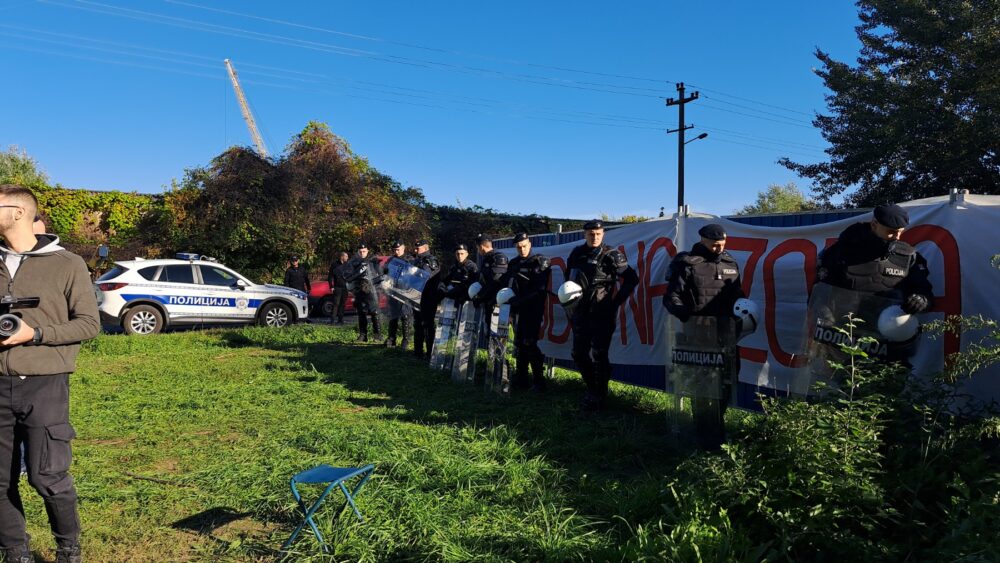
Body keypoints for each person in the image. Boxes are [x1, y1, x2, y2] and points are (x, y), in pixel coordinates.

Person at [0, 184, 100, 563]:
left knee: (47, 477)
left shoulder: (67, 263)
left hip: (44, 383)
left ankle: (68, 548)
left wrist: (36, 334)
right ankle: (15, 551)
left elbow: (89, 324)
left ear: (21, 212)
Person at [816, 203, 933, 363]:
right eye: (891, 232)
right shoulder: (842, 251)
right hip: (842, 340)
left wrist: (921, 300)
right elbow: (820, 291)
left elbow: (924, 292)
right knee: (840, 386)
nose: (897, 237)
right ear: (874, 224)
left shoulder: (908, 258)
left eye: (900, 232)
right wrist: (825, 321)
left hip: (888, 345)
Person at [664, 223, 745, 450]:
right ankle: (702, 432)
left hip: (725, 333)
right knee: (701, 386)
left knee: (728, 381)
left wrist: (743, 312)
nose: (719, 248)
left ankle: (717, 425)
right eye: (714, 245)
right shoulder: (687, 263)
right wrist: (685, 315)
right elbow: (672, 297)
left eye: (722, 244)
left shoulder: (730, 263)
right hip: (697, 333)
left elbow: (738, 295)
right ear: (702, 241)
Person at [565, 220, 639, 410]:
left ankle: (600, 396)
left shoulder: (611, 255)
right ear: (585, 234)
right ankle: (592, 390)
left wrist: (614, 303)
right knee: (579, 354)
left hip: (601, 312)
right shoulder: (576, 253)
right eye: (591, 233)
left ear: (603, 234)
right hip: (580, 311)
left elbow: (632, 279)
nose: (595, 237)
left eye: (598, 233)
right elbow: (568, 281)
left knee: (599, 354)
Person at [504, 233, 551, 391]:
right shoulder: (514, 263)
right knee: (519, 343)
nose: (522, 249)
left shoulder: (539, 261)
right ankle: (522, 378)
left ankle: (539, 381)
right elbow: (509, 286)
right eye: (518, 247)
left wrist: (519, 300)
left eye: (524, 246)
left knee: (529, 343)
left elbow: (539, 289)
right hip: (518, 309)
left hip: (533, 308)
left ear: (529, 244)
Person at [345, 244, 382, 342]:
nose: (362, 253)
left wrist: (375, 284)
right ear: (358, 251)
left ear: (367, 250)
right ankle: (363, 335)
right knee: (361, 313)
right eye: (360, 251)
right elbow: (349, 276)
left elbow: (380, 275)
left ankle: (377, 335)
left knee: (374, 312)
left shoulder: (373, 261)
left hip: (372, 290)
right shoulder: (354, 262)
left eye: (364, 251)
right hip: (359, 290)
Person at [412, 239, 441, 359]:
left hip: (428, 298)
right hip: (417, 297)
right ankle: (418, 352)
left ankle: (430, 353)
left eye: (417, 248)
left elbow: (425, 276)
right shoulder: (418, 260)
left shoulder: (430, 260)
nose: (415, 250)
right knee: (417, 324)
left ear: (425, 248)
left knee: (427, 325)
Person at [383, 241, 412, 349]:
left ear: (403, 248)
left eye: (398, 249)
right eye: (394, 249)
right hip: (393, 291)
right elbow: (385, 272)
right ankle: (392, 338)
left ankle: (406, 340)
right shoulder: (391, 260)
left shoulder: (410, 260)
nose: (396, 251)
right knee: (393, 316)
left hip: (405, 292)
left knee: (405, 316)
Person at [472, 234, 509, 313]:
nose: (478, 250)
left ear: (481, 247)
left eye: (477, 248)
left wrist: (480, 296)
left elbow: (495, 281)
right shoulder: (487, 259)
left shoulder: (498, 258)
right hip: (488, 298)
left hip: (496, 300)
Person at [327, 252, 350, 325]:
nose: (347, 258)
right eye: (346, 256)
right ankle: (332, 320)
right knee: (336, 304)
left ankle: (341, 320)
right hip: (337, 287)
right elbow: (330, 277)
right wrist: (331, 286)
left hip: (345, 287)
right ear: (342, 257)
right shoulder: (335, 264)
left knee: (342, 304)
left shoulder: (347, 265)